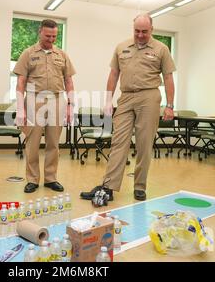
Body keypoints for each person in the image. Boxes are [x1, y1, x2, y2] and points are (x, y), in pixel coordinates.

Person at [81, 14, 175, 202]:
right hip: (125, 97)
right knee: (118, 141)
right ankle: (108, 186)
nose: (140, 35)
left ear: (152, 30)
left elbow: (168, 78)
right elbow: (114, 74)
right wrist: (108, 100)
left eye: (144, 31)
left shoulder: (161, 49)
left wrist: (170, 105)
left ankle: (140, 186)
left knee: (144, 143)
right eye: (137, 31)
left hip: (149, 96)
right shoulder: (122, 47)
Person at [14, 19, 76, 193]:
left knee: (54, 143)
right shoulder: (28, 53)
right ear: (40, 32)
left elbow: (69, 81)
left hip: (57, 99)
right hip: (34, 98)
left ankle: (50, 178)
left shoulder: (62, 55)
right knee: (32, 143)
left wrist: (71, 105)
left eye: (55, 36)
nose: (51, 39)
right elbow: (20, 83)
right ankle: (32, 179)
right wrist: (20, 108)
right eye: (48, 35)